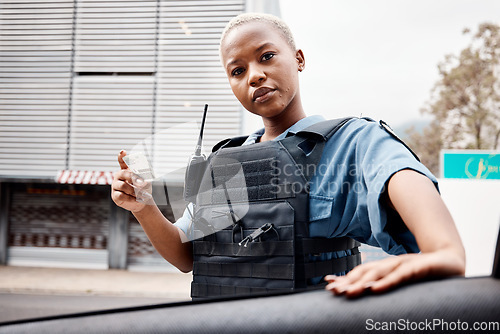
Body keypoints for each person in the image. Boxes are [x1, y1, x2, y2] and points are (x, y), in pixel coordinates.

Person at [111, 13, 465, 298]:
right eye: (238, 71)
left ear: (298, 60)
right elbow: (186, 256)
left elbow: (441, 244)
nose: (255, 75)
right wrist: (144, 207)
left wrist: (443, 252)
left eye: (266, 56)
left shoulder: (354, 142)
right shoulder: (226, 163)